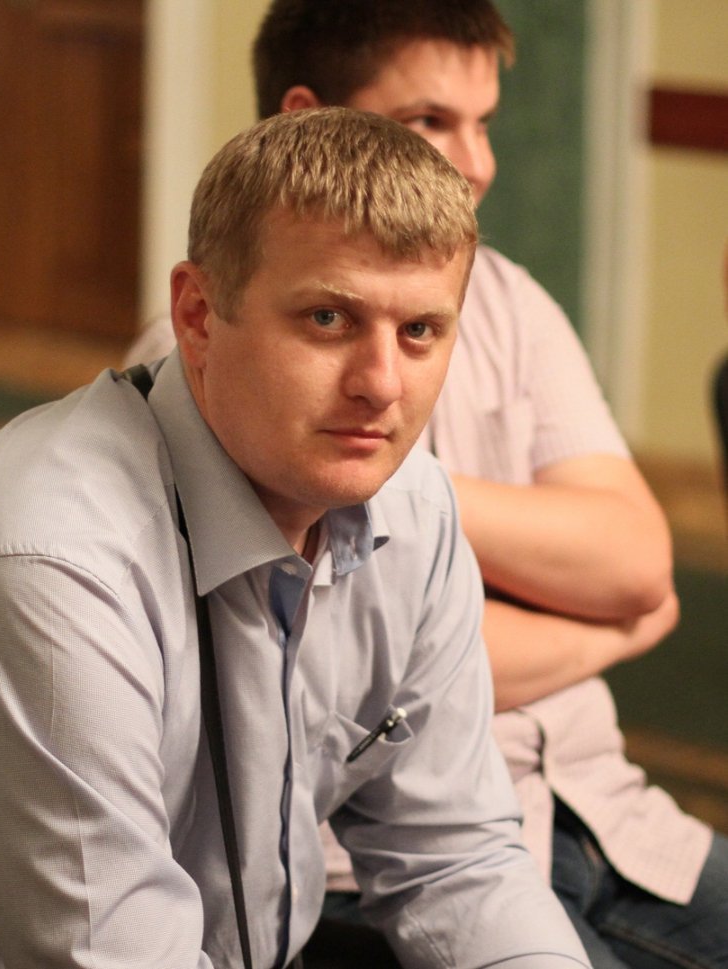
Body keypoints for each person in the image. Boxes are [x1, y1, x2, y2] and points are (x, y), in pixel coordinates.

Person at [0, 108, 589, 968]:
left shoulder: (413, 505)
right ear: (196, 315)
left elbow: (459, 860)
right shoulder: (48, 566)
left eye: (420, 330)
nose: (382, 385)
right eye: (328, 319)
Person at [124, 3, 728, 967]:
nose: (476, 163)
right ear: (308, 122)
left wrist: (392, 480)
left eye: (483, 122)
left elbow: (635, 557)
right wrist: (612, 629)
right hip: (366, 867)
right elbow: (366, 674)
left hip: (598, 807)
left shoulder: (508, 300)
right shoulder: (222, 357)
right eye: (431, 121)